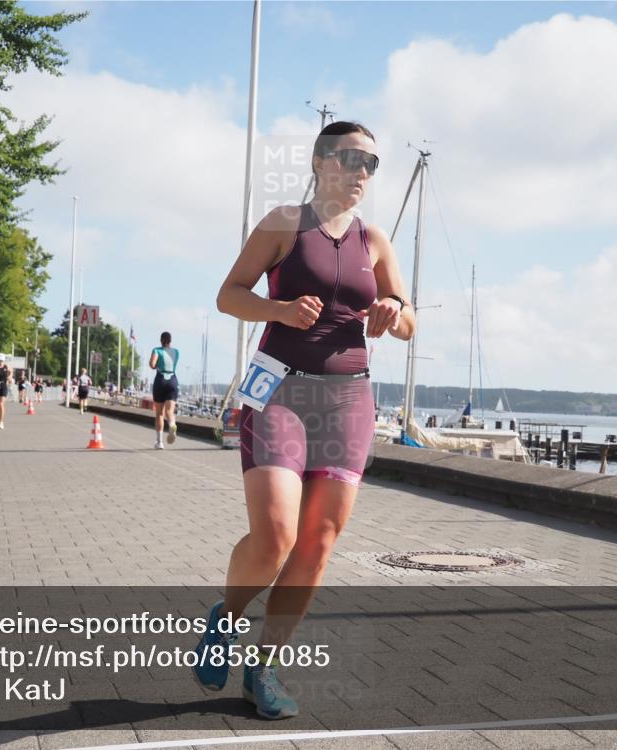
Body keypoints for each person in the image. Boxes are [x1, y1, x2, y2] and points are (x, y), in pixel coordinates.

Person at [193, 121, 415, 719]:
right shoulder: (284, 223)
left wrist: (394, 308)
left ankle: (262, 670)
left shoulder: (376, 240)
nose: (363, 172)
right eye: (351, 158)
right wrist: (280, 310)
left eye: (373, 163)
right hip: (281, 392)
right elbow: (229, 295)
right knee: (276, 535)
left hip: (348, 402)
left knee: (316, 545)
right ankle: (228, 616)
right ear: (320, 162)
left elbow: (410, 319)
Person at [149, 332, 180, 449]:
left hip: (160, 380)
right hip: (172, 380)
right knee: (169, 412)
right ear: (170, 340)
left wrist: (157, 364)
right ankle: (172, 424)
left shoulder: (157, 350)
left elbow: (152, 364)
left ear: (161, 340)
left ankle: (159, 442)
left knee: (159, 413)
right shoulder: (176, 352)